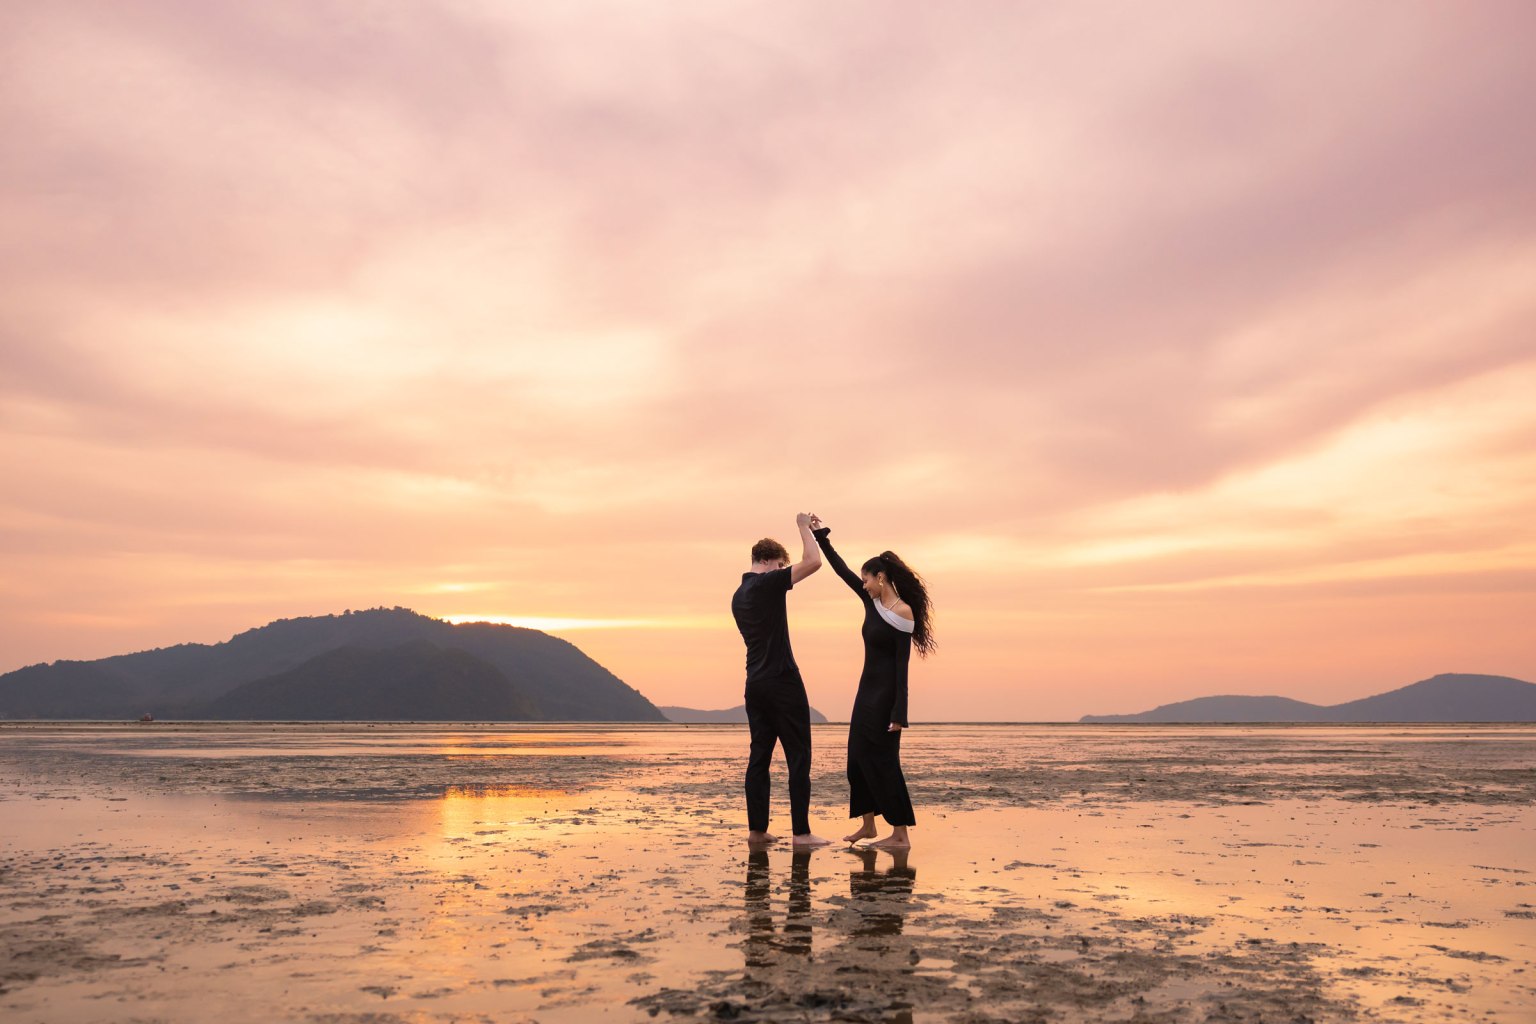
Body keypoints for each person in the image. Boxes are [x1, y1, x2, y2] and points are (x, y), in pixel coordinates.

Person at [810, 517, 934, 849]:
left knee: (884, 764)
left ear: (880, 577)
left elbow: (901, 668)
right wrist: (821, 537)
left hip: (885, 700)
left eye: (867, 580)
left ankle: (901, 835)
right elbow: (841, 571)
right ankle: (868, 826)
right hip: (864, 694)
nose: (863, 585)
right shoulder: (871, 601)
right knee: (856, 759)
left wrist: (899, 713)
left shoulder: (903, 613)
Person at [731, 513, 833, 848]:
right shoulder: (767, 583)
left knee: (759, 756)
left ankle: (757, 831)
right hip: (782, 681)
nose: (781, 572)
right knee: (799, 756)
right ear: (767, 561)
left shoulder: (738, 595)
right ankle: (802, 834)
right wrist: (803, 526)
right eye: (779, 566)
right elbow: (813, 561)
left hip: (754, 684)